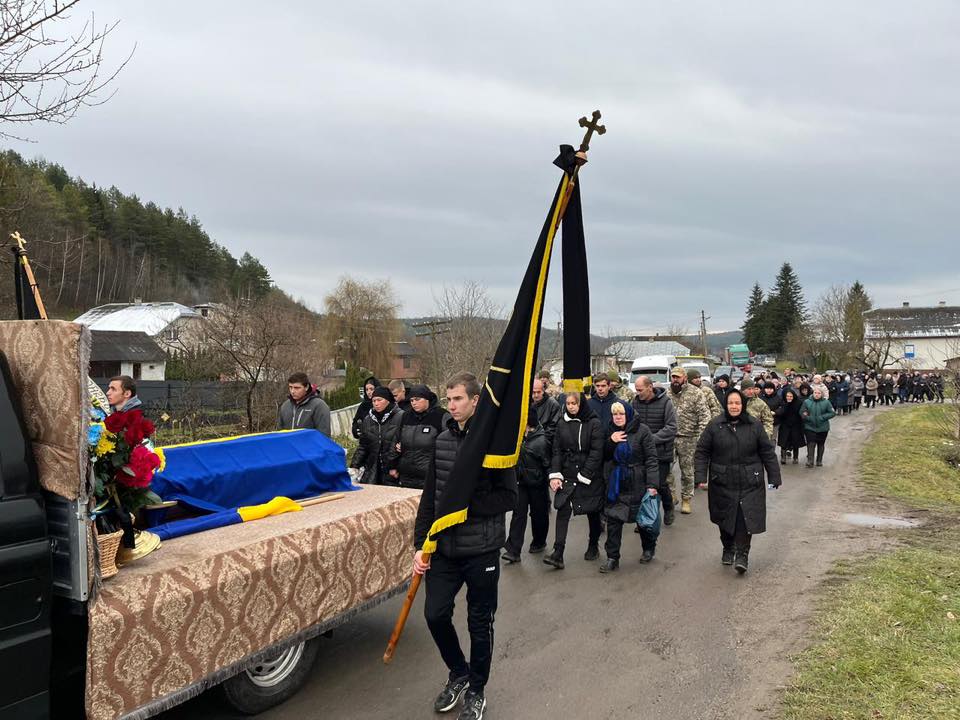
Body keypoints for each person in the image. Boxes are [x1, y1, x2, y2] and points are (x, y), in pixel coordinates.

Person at [413, 373, 518, 720]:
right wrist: (420, 545)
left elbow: (509, 497)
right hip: (444, 549)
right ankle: (459, 673)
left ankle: (477, 690)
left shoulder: (494, 443)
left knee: (479, 622)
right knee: (434, 614)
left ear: (475, 401)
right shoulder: (442, 441)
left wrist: (467, 505)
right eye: (449, 399)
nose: (452, 405)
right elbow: (430, 497)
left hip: (481, 550)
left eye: (458, 398)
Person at [695, 389, 781, 574]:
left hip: (750, 481)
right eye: (730, 403)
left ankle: (742, 555)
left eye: (737, 403)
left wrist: (774, 476)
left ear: (743, 405)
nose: (734, 406)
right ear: (725, 405)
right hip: (722, 481)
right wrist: (700, 476)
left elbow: (767, 452)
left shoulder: (754, 425)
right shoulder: (715, 425)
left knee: (744, 518)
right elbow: (702, 451)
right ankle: (728, 547)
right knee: (724, 518)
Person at [543, 392, 604, 569]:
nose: (571, 407)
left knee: (593, 512)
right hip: (568, 474)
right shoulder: (562, 423)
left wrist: (586, 473)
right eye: (568, 403)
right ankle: (558, 552)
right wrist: (555, 473)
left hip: (588, 476)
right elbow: (556, 450)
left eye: (574, 403)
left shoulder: (594, 423)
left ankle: (593, 545)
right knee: (562, 510)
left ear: (581, 404)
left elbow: (596, 452)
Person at [599, 402, 659, 571]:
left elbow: (651, 459)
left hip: (638, 481)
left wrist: (652, 484)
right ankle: (612, 557)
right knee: (613, 520)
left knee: (642, 520)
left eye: (621, 414)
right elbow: (602, 455)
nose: (617, 417)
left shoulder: (643, 431)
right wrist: (611, 441)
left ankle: (648, 548)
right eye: (614, 414)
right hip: (616, 483)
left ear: (628, 414)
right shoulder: (609, 430)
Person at [502, 408, 551, 562]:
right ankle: (513, 550)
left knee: (539, 514)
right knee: (518, 514)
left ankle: (539, 541)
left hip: (538, 484)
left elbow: (548, 464)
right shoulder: (518, 437)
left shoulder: (542, 441)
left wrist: (550, 480)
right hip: (521, 483)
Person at [631, 376, 679, 525]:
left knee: (659, 484)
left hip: (661, 452)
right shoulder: (635, 403)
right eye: (636, 390)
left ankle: (668, 507)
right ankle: (645, 519)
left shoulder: (665, 402)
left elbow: (671, 427)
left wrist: (651, 439)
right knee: (642, 485)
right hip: (641, 453)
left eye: (640, 390)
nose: (638, 393)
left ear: (650, 387)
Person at [668, 366, 710, 515]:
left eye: (678, 377)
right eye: (673, 377)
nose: (675, 380)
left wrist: (702, 437)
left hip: (689, 438)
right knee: (666, 469)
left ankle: (686, 499)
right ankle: (671, 494)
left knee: (687, 472)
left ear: (684, 378)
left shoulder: (696, 393)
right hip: (670, 438)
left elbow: (704, 416)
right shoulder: (666, 394)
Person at [395, 384, 445, 489]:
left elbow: (449, 445)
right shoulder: (406, 416)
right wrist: (394, 464)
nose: (414, 403)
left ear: (427, 399)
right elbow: (397, 439)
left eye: (417, 399)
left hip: (430, 476)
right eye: (411, 400)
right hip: (407, 476)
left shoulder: (441, 415)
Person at [350, 386, 403, 485]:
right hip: (373, 469)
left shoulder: (400, 417)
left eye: (379, 400)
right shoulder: (368, 419)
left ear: (388, 400)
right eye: (374, 401)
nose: (376, 403)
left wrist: (396, 467)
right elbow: (363, 445)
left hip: (393, 471)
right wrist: (354, 465)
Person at [277, 372, 332, 436]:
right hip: (288, 442)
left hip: (311, 442)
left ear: (306, 387)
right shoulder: (285, 406)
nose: (292, 391)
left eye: (297, 388)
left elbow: (324, 435)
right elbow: (279, 433)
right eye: (290, 387)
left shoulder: (319, 406)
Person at [801, 386, 835, 468]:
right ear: (812, 393)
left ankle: (819, 460)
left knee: (821, 444)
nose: (816, 394)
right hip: (810, 426)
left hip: (823, 427)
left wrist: (822, 417)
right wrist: (808, 417)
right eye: (815, 393)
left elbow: (832, 413)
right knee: (810, 443)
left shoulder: (826, 402)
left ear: (822, 394)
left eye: (819, 393)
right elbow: (802, 412)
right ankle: (810, 461)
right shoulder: (807, 402)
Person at [531, 378, 562, 452]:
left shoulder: (553, 404)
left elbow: (554, 428)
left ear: (543, 391)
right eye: (533, 392)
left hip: (545, 446)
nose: (536, 395)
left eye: (538, 392)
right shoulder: (527, 402)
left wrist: (539, 440)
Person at [775, 388, 805, 464]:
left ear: (793, 396)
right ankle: (783, 457)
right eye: (787, 396)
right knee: (783, 441)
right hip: (785, 424)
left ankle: (795, 457)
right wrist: (786, 404)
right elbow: (780, 412)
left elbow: (801, 413)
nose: (789, 398)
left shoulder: (798, 402)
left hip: (796, 425)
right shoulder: (783, 402)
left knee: (795, 441)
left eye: (791, 396)